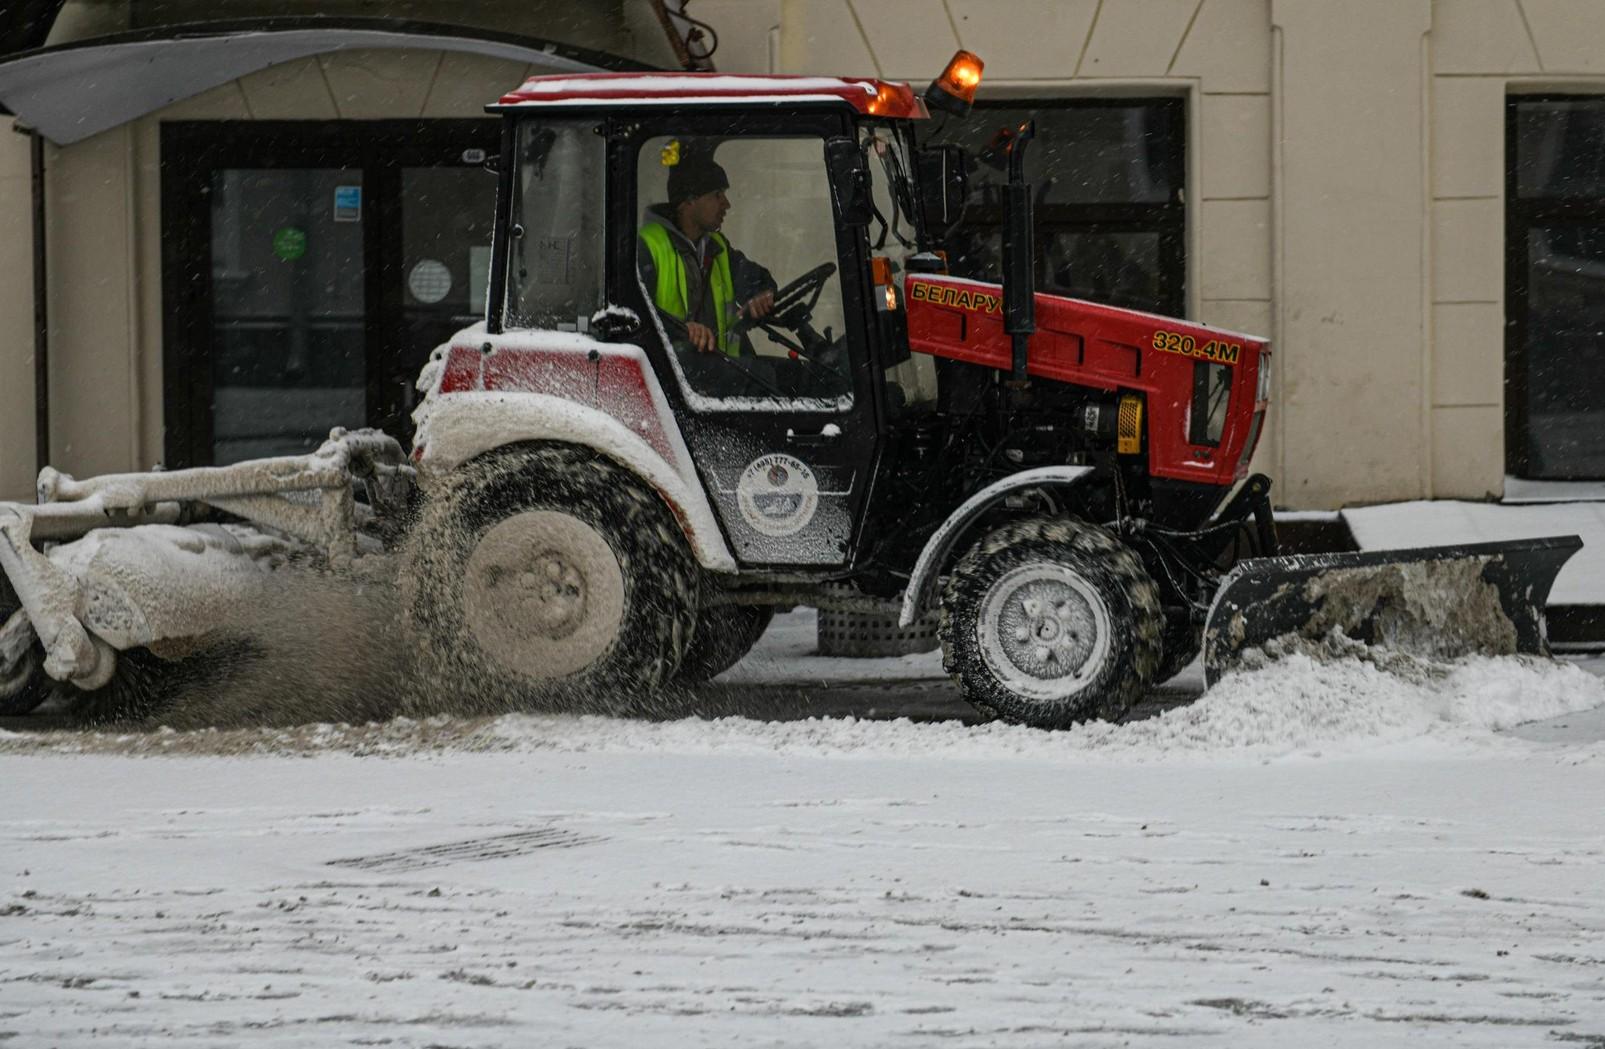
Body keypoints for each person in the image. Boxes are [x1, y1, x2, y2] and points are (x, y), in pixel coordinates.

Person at [638, 157, 777, 360]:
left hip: (721, 364)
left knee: (792, 375)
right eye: (717, 195)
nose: (726, 204)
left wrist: (763, 294)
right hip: (676, 370)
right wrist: (682, 330)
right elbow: (636, 317)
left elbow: (757, 279)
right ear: (690, 200)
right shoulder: (647, 247)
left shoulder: (717, 246)